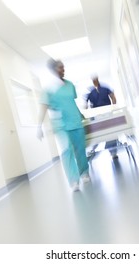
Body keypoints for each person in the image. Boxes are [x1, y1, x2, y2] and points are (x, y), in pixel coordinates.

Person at [37, 59, 90, 192]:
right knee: (67, 151)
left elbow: (71, 102)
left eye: (63, 67)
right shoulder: (48, 89)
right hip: (60, 124)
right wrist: (39, 126)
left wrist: (80, 115)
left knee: (80, 149)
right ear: (53, 70)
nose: (63, 70)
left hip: (75, 121)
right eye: (60, 68)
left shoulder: (70, 85)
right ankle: (73, 181)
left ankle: (84, 172)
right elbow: (43, 108)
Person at [85, 75, 118, 159]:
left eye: (95, 79)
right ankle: (93, 149)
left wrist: (113, 108)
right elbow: (86, 104)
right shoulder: (91, 92)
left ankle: (113, 152)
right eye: (93, 79)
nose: (94, 80)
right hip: (97, 115)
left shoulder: (105, 88)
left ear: (97, 79)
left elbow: (113, 97)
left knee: (111, 131)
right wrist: (87, 114)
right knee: (99, 133)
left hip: (107, 113)